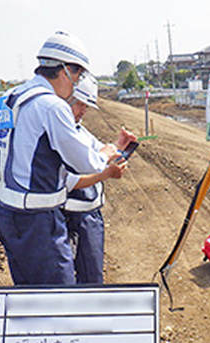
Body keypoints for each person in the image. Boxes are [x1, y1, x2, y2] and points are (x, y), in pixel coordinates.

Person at [0, 31, 126, 285]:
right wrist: (106, 153)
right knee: (58, 295)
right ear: (65, 71)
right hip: (35, 218)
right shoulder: (52, 106)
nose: (75, 84)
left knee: (28, 287)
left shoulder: (8, 98)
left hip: (3, 212)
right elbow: (86, 163)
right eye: (78, 75)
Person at [63, 75, 136, 284]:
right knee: (83, 278)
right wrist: (106, 175)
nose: (83, 111)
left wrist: (119, 146)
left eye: (86, 106)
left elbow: (98, 156)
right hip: (73, 218)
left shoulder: (79, 130)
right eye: (80, 105)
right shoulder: (61, 134)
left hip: (90, 214)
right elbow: (69, 181)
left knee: (93, 275)